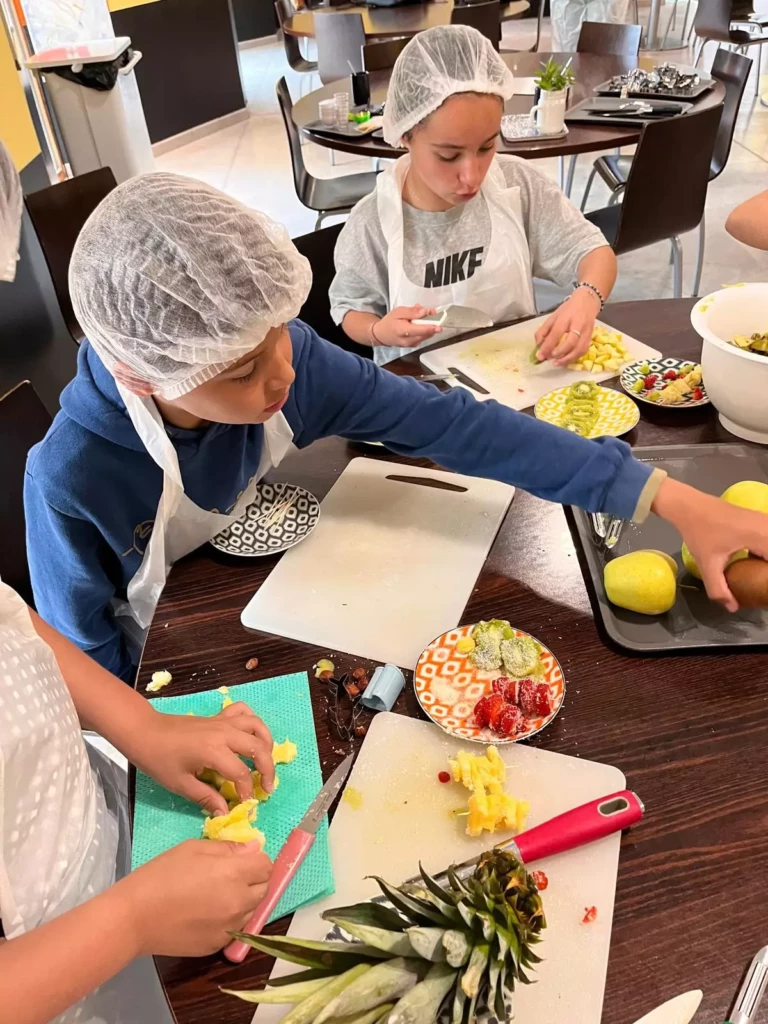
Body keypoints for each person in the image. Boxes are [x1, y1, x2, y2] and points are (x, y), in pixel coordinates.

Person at [22, 172, 768, 685]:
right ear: (145, 378)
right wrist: (151, 734)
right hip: (165, 670)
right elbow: (79, 654)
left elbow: (463, 429)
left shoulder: (297, 366)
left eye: (280, 332)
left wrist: (666, 498)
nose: (280, 374)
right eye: (242, 374)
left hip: (255, 603)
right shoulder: (72, 479)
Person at [0, 577, 276, 1024]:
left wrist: (142, 724)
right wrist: (129, 923)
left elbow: (11, 621)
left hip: (107, 832)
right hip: (63, 977)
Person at [329, 26, 617, 368]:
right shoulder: (373, 220)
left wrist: (586, 297)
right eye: (448, 156)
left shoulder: (517, 186)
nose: (472, 175)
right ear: (405, 134)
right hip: (418, 392)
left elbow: (593, 252)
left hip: (514, 376)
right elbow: (350, 308)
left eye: (486, 147)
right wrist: (378, 331)